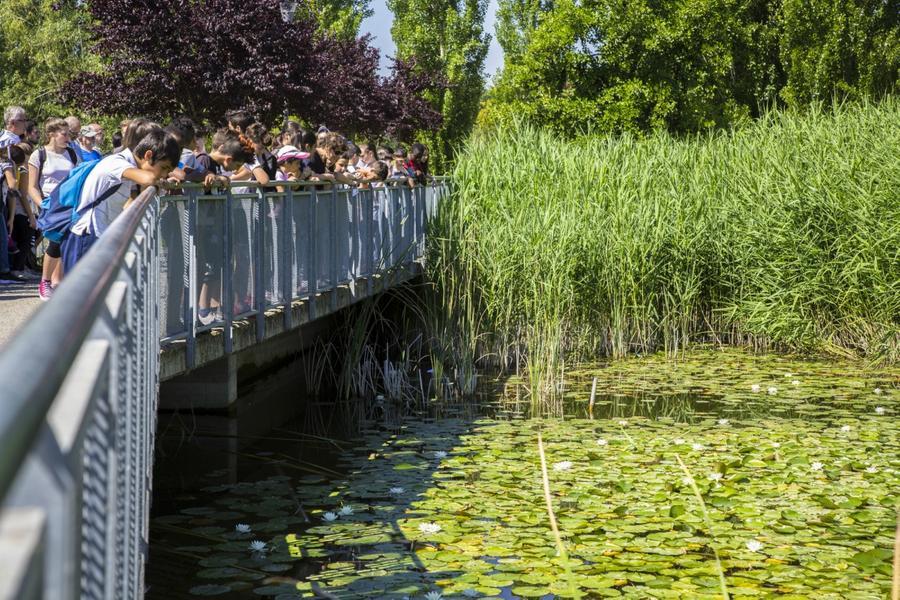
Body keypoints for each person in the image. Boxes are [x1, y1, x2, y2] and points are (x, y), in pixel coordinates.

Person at [61, 122, 179, 271]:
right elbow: (148, 179)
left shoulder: (129, 164)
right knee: (81, 292)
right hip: (85, 235)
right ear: (148, 155)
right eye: (164, 168)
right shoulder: (117, 162)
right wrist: (162, 182)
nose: (163, 174)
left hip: (99, 235)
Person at [194, 128, 255, 324]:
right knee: (207, 268)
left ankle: (214, 309)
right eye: (235, 165)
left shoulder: (218, 167)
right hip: (204, 223)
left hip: (215, 223)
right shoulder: (204, 160)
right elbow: (198, 180)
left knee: (217, 266)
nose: (233, 169)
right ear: (228, 159)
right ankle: (203, 310)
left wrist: (224, 179)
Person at [27, 117, 79, 300]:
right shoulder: (39, 154)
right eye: (64, 134)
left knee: (68, 242)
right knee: (55, 241)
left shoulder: (72, 154)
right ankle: (45, 282)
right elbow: (31, 186)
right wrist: (42, 204)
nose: (68, 138)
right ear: (51, 135)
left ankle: (60, 281)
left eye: (68, 134)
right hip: (49, 203)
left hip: (69, 203)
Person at [0, 106, 28, 283]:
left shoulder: (12, 141)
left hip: (4, 193)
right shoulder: (7, 142)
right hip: (3, 188)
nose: (26, 123)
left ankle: (4, 268)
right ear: (12, 123)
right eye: (23, 120)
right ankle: (3, 270)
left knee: (4, 231)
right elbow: (7, 169)